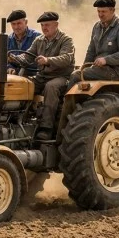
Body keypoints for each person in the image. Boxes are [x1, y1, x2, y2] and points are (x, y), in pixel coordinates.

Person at [10, 11, 75, 141]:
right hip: (42, 76)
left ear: (56, 25)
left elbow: (66, 58)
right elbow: (28, 56)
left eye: (47, 25)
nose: (44, 28)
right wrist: (15, 59)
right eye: (42, 25)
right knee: (23, 85)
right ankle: (17, 122)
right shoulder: (39, 40)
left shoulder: (66, 40)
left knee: (51, 87)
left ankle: (46, 129)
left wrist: (48, 60)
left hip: (61, 77)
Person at [69, 0, 119, 87]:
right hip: (99, 69)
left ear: (112, 11)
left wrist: (106, 60)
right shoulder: (97, 27)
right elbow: (91, 51)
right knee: (75, 72)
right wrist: (84, 67)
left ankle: (68, 101)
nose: (100, 14)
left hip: (116, 71)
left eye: (103, 12)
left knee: (76, 76)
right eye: (98, 11)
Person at [6, 9, 41, 76]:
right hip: (15, 74)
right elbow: (6, 61)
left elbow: (39, 61)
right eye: (13, 24)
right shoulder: (8, 39)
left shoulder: (37, 37)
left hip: (33, 74)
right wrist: (10, 68)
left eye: (19, 23)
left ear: (26, 22)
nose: (16, 27)